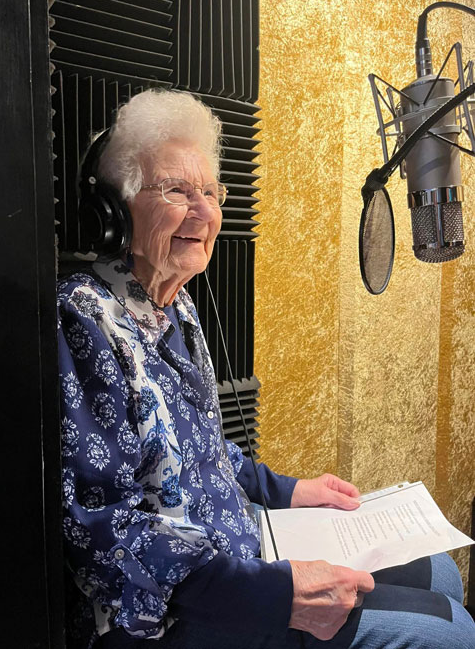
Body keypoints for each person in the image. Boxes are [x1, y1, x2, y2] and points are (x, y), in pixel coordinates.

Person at [57, 89, 475, 649]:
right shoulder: (82, 319)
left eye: (210, 191)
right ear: (114, 210)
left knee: (441, 572)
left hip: (245, 545)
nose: (205, 213)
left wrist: (291, 489)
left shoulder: (174, 304)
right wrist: (278, 597)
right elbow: (103, 530)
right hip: (172, 610)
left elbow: (201, 449)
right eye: (178, 191)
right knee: (449, 633)